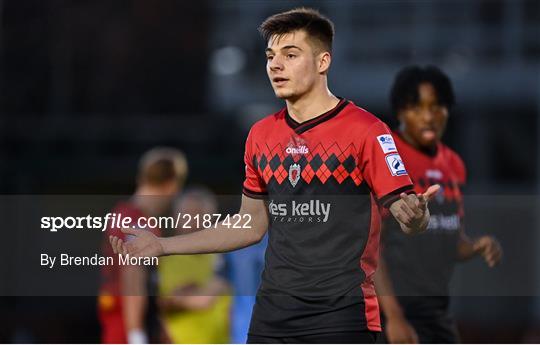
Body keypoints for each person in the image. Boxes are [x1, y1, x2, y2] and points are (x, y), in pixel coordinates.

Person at [110, 8, 439, 343]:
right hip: (273, 317)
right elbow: (250, 225)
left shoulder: (366, 131)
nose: (275, 65)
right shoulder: (261, 136)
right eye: (271, 56)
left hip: (340, 316)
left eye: (290, 55)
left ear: (323, 62)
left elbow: (404, 210)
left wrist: (415, 216)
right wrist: (163, 245)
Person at [374, 65, 503, 343]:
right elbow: (368, 245)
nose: (428, 116)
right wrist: (394, 317)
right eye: (417, 107)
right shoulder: (387, 157)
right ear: (400, 112)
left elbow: (450, 239)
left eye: (436, 106)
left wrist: (476, 245)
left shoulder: (454, 165)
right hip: (391, 312)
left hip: (436, 311)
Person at [98, 147, 188, 344]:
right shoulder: (138, 223)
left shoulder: (123, 214)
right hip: (128, 327)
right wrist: (136, 335)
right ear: (172, 184)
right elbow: (133, 274)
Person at [158, 187, 231, 344]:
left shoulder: (224, 258)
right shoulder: (161, 259)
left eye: (199, 216)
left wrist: (181, 297)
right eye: (187, 216)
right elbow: (156, 305)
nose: (193, 222)